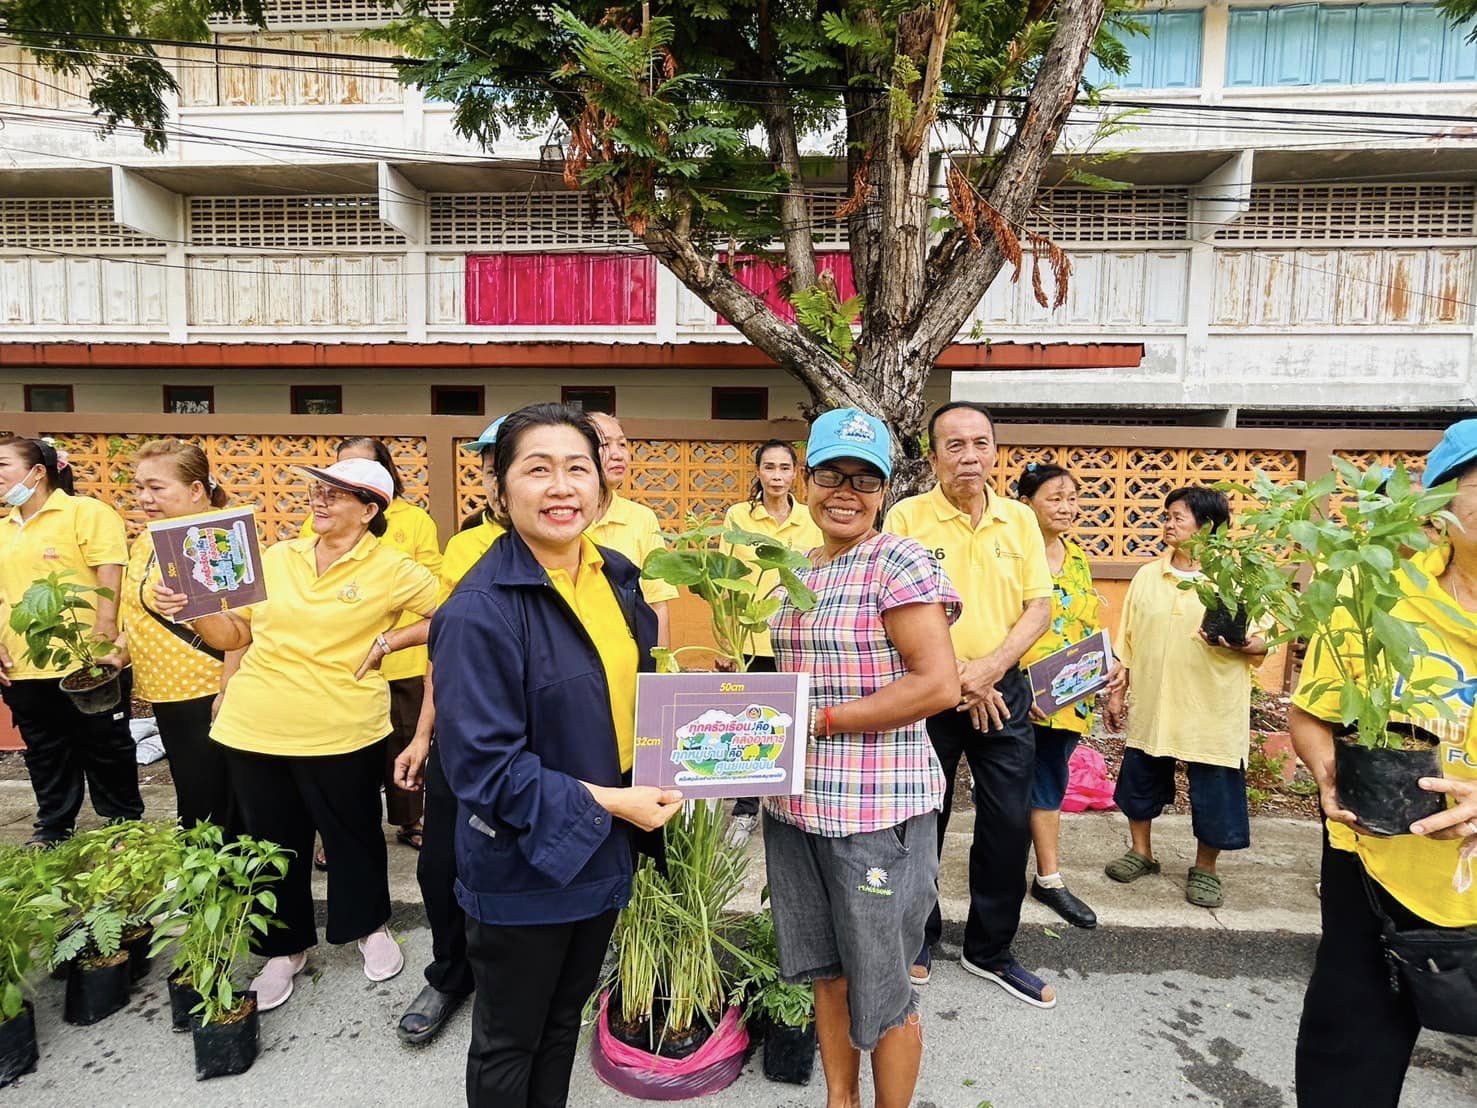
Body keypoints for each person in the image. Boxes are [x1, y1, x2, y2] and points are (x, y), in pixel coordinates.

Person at [430, 402, 683, 1107]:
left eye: (578, 467)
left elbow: (637, 701)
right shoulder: (478, 609)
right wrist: (616, 802)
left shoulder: (618, 577)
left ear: (602, 484)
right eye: (536, 470)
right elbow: (483, 769)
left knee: (562, 1020)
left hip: (606, 847)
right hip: (522, 859)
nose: (562, 487)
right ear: (498, 489)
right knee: (511, 1038)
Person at [153, 458, 440, 1010]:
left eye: (335, 494)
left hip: (342, 728)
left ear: (369, 509)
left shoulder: (393, 568)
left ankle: (368, 927)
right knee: (273, 841)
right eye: (317, 490)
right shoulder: (276, 557)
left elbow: (453, 615)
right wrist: (192, 610)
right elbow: (234, 631)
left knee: (353, 833)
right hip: (256, 725)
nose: (319, 499)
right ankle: (283, 950)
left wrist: (389, 641)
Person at [764, 407, 960, 1108]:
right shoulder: (793, 566)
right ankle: (838, 1100)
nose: (845, 491)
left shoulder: (898, 559)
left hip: (874, 813)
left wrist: (818, 721)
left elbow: (935, 683)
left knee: (884, 987)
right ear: (806, 476)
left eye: (865, 479)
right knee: (828, 973)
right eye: (830, 473)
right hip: (794, 808)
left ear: (884, 491)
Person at [1290, 420, 1477, 1107]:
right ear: (1435, 510)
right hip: (1376, 862)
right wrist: (1326, 771)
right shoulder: (1375, 598)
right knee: (1350, 1053)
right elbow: (1310, 715)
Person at [885, 402, 1054, 1004]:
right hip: (929, 689)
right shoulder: (906, 517)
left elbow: (1040, 606)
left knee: (1008, 821)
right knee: (921, 819)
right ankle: (917, 937)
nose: (969, 456)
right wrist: (957, 676)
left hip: (1001, 688)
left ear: (994, 452)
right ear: (933, 456)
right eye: (954, 445)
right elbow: (899, 610)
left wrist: (988, 670)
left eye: (980, 443)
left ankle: (990, 949)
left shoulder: (1020, 521)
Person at [392, 415, 505, 1046]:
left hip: (535, 747)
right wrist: (422, 735)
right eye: (488, 468)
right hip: (462, 740)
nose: (494, 479)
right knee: (441, 866)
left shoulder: (587, 557)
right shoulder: (465, 548)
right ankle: (448, 974)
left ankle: (506, 982)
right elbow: (445, 649)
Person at [1103, 487, 1267, 910]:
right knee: (1140, 780)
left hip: (1211, 708)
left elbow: (1263, 645)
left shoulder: (1237, 579)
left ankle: (1205, 869)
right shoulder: (1147, 576)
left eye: (1178, 517)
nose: (1168, 523)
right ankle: (1141, 852)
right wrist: (1117, 695)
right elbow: (1128, 644)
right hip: (1155, 702)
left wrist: (1239, 643)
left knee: (1213, 789)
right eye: (1167, 516)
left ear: (1208, 527)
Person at [0, 434, 141, 846]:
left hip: (87, 659)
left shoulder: (85, 512)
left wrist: (105, 638)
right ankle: (54, 827)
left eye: (2, 464)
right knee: (44, 748)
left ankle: (123, 825)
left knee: (105, 744)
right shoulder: (3, 528)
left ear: (37, 472)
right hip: (25, 659)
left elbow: (110, 574)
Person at [302, 436, 441, 853]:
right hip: (339, 662)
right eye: (338, 471)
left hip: (401, 660)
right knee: (342, 755)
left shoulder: (413, 520)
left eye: (360, 470)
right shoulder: (317, 524)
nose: (342, 483)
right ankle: (334, 831)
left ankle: (409, 817)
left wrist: (392, 633)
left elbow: (433, 588)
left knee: (402, 739)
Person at [103, 439, 235, 830]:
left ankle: (222, 885)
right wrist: (118, 653)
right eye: (139, 487)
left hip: (205, 690)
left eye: (157, 488)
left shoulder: (214, 537)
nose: (144, 497)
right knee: (193, 792)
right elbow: (139, 609)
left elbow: (245, 626)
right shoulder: (151, 535)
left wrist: (229, 689)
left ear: (197, 490)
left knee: (214, 799)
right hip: (167, 691)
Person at [719, 438, 823, 848]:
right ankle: (746, 810)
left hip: (798, 638)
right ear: (758, 471)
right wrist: (726, 643)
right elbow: (727, 582)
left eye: (785, 468)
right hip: (750, 637)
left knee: (797, 724)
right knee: (750, 727)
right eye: (770, 467)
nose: (777, 476)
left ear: (796, 473)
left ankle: (794, 805)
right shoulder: (738, 517)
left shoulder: (810, 519)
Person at [1017, 462, 1102, 929]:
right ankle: (1024, 876)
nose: (1067, 507)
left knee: (1049, 780)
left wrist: (1103, 669)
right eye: (1056, 497)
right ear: (1026, 504)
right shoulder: (1011, 556)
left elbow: (1083, 622)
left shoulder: (1078, 558)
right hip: (1017, 693)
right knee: (1013, 789)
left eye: (1072, 498)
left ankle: (1046, 878)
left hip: (1067, 697)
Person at [586, 412, 676, 647]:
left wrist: (658, 675)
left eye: (623, 444)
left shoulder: (642, 519)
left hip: (629, 657)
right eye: (604, 444)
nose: (618, 454)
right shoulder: (563, 520)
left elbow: (658, 602)